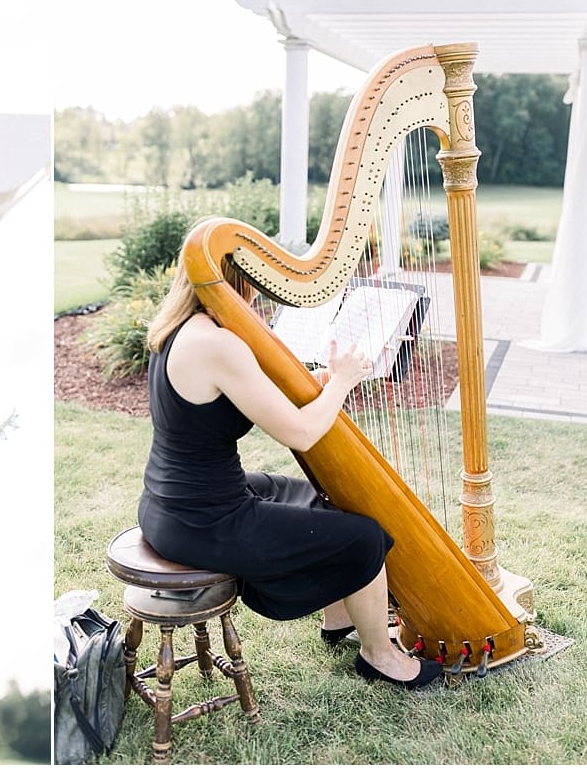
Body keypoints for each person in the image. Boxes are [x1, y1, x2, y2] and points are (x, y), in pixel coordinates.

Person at [137, 250, 442, 689]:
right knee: (364, 537)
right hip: (204, 520)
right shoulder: (217, 344)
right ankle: (380, 656)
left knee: (322, 500)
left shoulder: (181, 328)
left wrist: (318, 379)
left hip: (172, 501)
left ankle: (338, 617)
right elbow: (300, 434)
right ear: (234, 279)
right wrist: (342, 380)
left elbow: (251, 389)